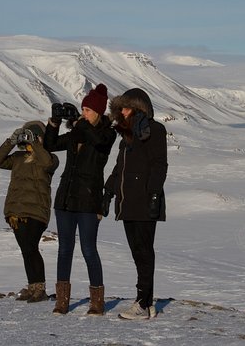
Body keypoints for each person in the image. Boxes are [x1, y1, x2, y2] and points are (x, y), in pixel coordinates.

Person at [43, 84, 117, 315]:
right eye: (83, 109)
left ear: (98, 112)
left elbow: (99, 143)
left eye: (88, 110)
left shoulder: (107, 133)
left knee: (88, 250)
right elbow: (51, 145)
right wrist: (53, 123)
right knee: (64, 249)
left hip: (88, 201)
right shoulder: (79, 130)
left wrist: (81, 125)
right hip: (66, 199)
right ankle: (62, 301)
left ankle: (97, 302)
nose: (84, 113)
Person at [104, 88, 168, 320]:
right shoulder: (127, 134)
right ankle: (146, 302)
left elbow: (160, 165)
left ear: (139, 108)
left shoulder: (154, 130)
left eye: (127, 107)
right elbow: (119, 168)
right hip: (127, 202)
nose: (122, 111)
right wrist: (108, 192)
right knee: (137, 252)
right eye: (120, 108)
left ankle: (143, 303)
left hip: (144, 201)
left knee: (144, 252)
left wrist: (153, 195)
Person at [0, 120, 59, 303]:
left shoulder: (50, 158)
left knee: (31, 247)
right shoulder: (18, 158)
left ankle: (40, 289)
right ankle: (33, 287)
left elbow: (46, 163)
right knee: (26, 250)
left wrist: (36, 143)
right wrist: (10, 142)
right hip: (16, 212)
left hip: (37, 212)